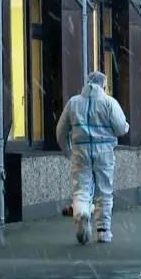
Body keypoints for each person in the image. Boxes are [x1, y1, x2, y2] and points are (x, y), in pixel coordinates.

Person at [56, 71, 130, 244]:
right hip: (104, 150)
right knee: (104, 190)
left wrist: (68, 151)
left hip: (80, 150)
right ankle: (103, 231)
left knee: (81, 188)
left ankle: (81, 212)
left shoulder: (73, 103)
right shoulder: (109, 102)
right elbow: (121, 128)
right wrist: (123, 126)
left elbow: (61, 132)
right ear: (103, 85)